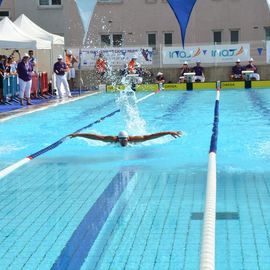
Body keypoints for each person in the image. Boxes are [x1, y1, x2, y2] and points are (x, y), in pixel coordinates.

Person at [69, 130, 182, 147]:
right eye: (121, 140)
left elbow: (150, 136)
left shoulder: (134, 139)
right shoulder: (113, 139)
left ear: (128, 139)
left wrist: (169, 132)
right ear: (118, 138)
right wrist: (78, 134)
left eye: (125, 140)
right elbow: (95, 137)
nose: (123, 142)